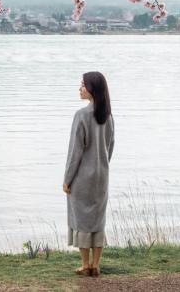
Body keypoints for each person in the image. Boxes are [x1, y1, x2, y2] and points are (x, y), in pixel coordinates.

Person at [63, 71, 114, 278]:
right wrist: (102, 165)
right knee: (97, 220)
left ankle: (85, 265)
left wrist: (67, 180)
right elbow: (110, 146)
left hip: (82, 178)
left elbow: (75, 152)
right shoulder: (108, 116)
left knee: (82, 220)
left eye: (83, 85)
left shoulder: (81, 115)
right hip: (102, 176)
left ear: (92, 89)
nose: (80, 88)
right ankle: (96, 265)